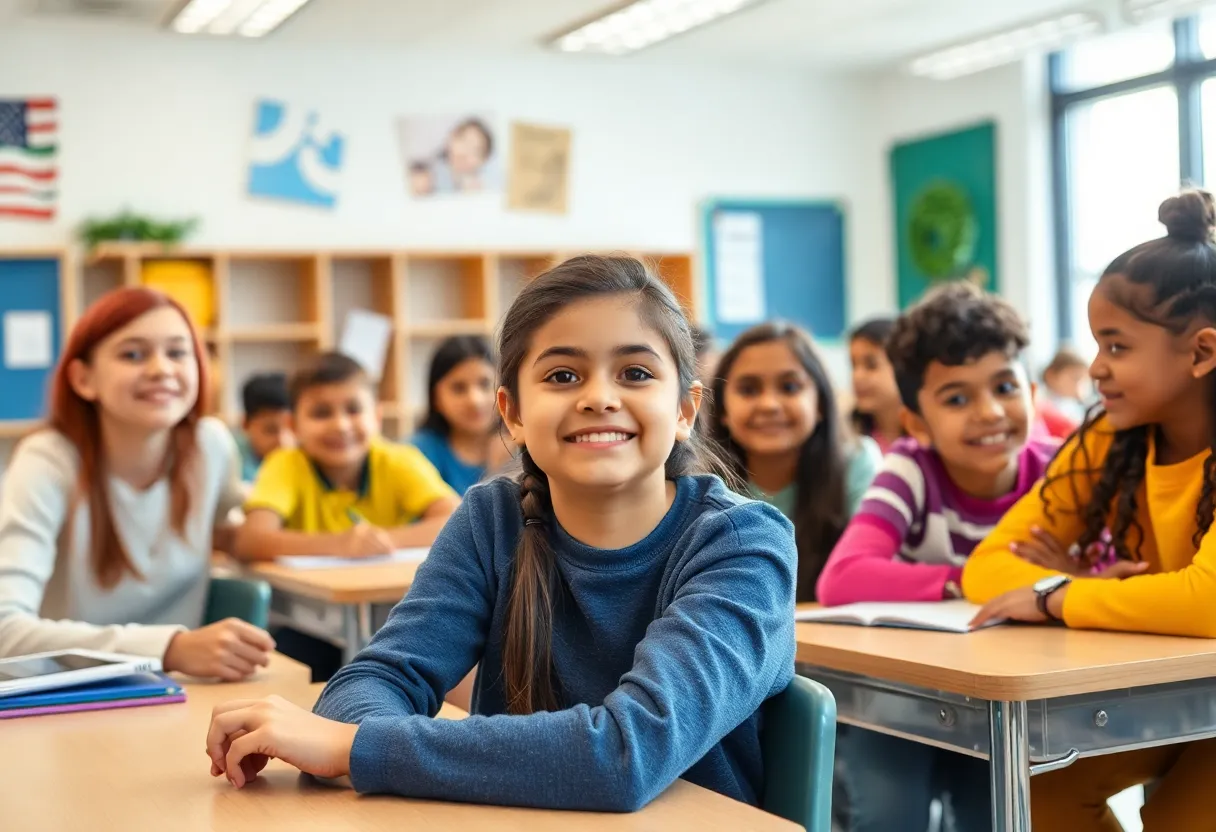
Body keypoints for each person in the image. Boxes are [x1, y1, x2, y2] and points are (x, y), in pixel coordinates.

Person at [204, 254, 797, 812]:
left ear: (686, 409)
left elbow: (627, 753)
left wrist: (352, 749)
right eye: (563, 375)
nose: (598, 398)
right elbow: (374, 681)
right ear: (511, 412)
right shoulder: (492, 520)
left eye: (635, 372)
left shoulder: (741, 543)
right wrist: (356, 736)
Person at [965, 190, 1216, 831]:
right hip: (1181, 696)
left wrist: (1058, 597)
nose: (1096, 370)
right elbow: (990, 569)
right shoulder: (1112, 438)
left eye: (1117, 347)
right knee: (1042, 790)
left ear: (1201, 352)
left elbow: (1206, 602)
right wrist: (1095, 588)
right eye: (1096, 346)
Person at [0, 287, 274, 680]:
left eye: (177, 352)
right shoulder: (47, 460)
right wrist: (169, 648)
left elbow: (242, 528)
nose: (161, 369)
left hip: (173, 693)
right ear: (83, 378)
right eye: (133, 354)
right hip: (53, 696)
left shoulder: (210, 446)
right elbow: (5, 629)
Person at [709, 322, 881, 602]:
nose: (769, 405)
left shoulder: (857, 463)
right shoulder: (700, 484)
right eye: (749, 390)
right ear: (723, 410)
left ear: (821, 404)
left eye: (789, 387)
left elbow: (871, 569)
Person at [236, 351, 459, 560]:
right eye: (321, 413)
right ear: (293, 426)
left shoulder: (399, 459)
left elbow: (458, 521)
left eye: (353, 410)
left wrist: (382, 541)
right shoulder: (285, 464)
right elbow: (250, 540)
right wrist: (339, 545)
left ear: (376, 417)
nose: (341, 426)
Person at [412, 335, 504, 495]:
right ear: (436, 399)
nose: (475, 400)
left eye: (485, 384)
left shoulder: (523, 448)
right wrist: (495, 473)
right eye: (458, 388)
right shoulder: (416, 454)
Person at [848, 317, 903, 453]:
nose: (857, 377)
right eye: (853, 365)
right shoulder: (849, 439)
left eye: (871, 365)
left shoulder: (926, 437)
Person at [234, 372, 292, 483]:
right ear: (245, 425)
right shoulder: (233, 466)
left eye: (291, 428)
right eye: (270, 430)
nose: (283, 441)